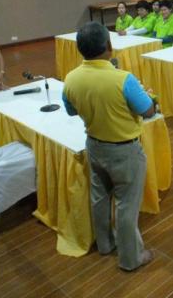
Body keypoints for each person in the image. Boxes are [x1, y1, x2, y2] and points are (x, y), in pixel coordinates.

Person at [62, 22, 155, 271]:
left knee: (99, 198)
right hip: (125, 150)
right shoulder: (123, 79)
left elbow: (71, 111)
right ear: (109, 45)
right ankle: (131, 258)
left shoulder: (71, 78)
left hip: (94, 145)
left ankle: (105, 244)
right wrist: (148, 96)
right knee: (127, 205)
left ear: (80, 49)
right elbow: (147, 111)